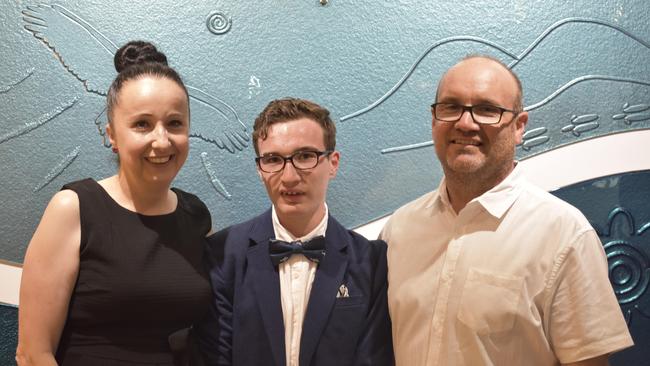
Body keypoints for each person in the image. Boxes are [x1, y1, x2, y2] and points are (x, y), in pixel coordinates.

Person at [379, 55, 633, 366]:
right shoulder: (399, 229)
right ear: (434, 120)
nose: (465, 122)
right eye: (451, 106)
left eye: (487, 109)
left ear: (519, 127)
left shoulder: (564, 234)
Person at [16, 41, 212, 366]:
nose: (161, 140)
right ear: (112, 135)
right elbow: (33, 354)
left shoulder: (197, 216)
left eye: (175, 123)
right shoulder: (74, 208)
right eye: (142, 124)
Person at [196, 98, 393, 366]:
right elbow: (214, 356)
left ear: (333, 163)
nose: (289, 177)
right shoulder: (223, 253)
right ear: (259, 168)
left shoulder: (371, 260)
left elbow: (374, 358)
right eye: (273, 159)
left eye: (304, 156)